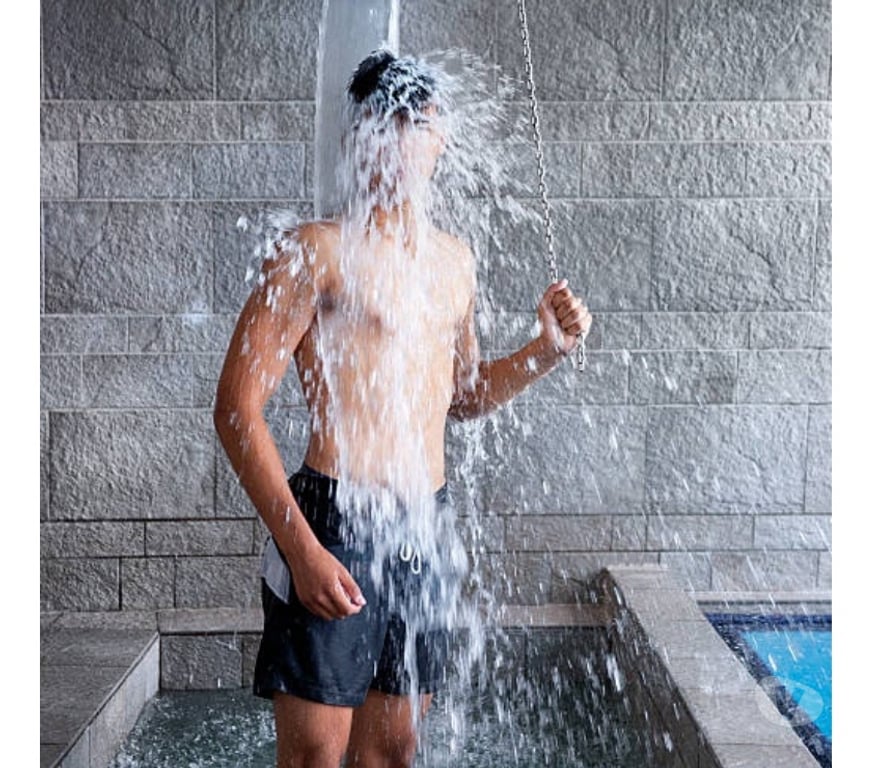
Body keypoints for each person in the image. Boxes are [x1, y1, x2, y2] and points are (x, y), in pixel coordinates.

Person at [214, 49, 593, 768]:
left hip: (426, 523)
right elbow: (235, 410)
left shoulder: (455, 261)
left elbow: (463, 397)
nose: (398, 137)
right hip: (335, 521)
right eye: (381, 122)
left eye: (415, 121)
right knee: (313, 762)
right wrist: (302, 550)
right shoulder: (316, 251)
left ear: (441, 136)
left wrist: (542, 351)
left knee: (391, 756)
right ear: (359, 137)